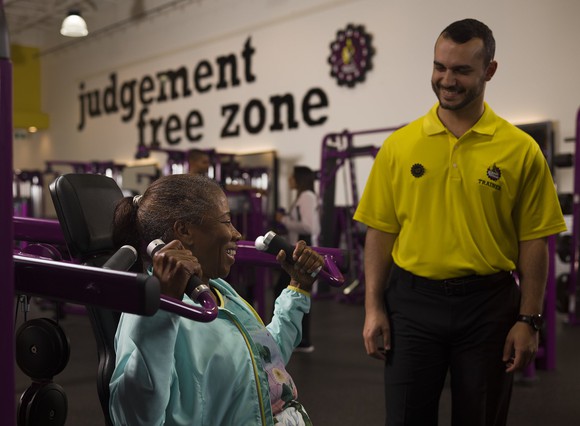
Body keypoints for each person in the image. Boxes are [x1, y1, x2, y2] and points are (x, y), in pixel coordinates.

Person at [353, 18, 566, 426]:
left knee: (482, 418)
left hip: (488, 305)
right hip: (412, 304)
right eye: (440, 67)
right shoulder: (400, 145)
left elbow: (535, 240)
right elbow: (380, 231)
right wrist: (372, 307)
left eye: (462, 70)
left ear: (489, 70)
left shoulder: (521, 150)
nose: (447, 80)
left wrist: (529, 319)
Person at [108, 173, 323, 425]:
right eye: (226, 221)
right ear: (184, 230)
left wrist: (297, 290)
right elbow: (134, 419)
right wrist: (164, 309)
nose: (237, 233)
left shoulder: (220, 290)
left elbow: (265, 361)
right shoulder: (149, 309)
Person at [275, 166, 320, 352]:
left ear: (299, 178)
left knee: (290, 291)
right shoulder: (304, 196)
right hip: (296, 252)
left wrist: (284, 221)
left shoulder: (307, 197)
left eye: (292, 176)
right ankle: (300, 340)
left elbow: (309, 228)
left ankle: (302, 341)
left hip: (301, 254)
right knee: (295, 293)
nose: (289, 179)